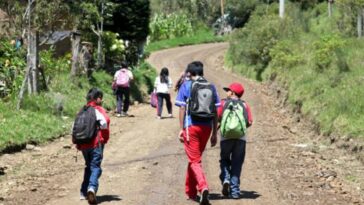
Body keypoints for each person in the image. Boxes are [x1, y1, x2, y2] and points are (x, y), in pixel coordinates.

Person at [175, 61, 220, 205]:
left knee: (195, 160)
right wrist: (214, 132)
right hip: (206, 128)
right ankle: (191, 191)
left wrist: (181, 129)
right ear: (202, 72)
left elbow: (182, 109)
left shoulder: (186, 85)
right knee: (194, 159)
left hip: (191, 127)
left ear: (190, 73)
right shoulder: (211, 86)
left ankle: (203, 187)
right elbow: (215, 112)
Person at [217, 82, 253, 199]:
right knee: (237, 164)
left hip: (225, 137)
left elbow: (218, 117)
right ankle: (235, 192)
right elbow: (249, 122)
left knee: (224, 160)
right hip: (240, 139)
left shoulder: (223, 103)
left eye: (228, 90)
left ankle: (226, 178)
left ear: (232, 92)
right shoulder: (245, 105)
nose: (226, 92)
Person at [75, 88, 110, 204]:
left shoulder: (81, 111)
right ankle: (92, 188)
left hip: (83, 145)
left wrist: (77, 144)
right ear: (98, 98)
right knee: (95, 167)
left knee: (88, 166)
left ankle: (83, 192)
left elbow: (73, 128)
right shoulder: (97, 110)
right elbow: (105, 122)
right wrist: (102, 133)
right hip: (95, 143)